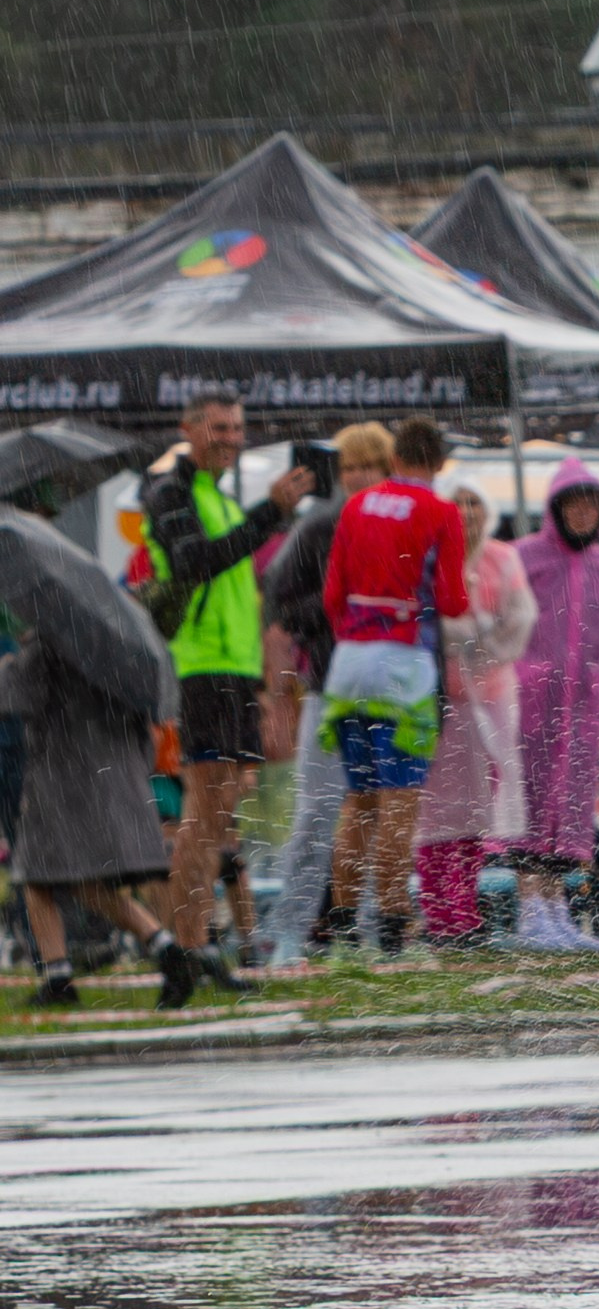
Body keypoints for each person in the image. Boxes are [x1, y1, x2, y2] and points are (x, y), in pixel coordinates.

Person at [139, 395, 312, 984]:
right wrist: (269, 514)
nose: (231, 438)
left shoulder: (220, 496)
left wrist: (262, 677)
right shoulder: (170, 492)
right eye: (219, 427)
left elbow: (234, 579)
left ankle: (194, 947)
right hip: (202, 667)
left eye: (238, 428)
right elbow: (196, 563)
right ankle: (188, 949)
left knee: (219, 817)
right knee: (203, 811)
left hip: (235, 668)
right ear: (188, 429)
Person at [320, 417, 471, 957]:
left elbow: (332, 595)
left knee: (359, 800)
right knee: (400, 801)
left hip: (348, 664)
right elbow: (452, 601)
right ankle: (390, 923)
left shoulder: (356, 505)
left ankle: (340, 923)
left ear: (394, 457)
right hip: (404, 666)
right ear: (440, 462)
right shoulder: (441, 512)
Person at [0, 632, 194, 1009]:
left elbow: (13, 697)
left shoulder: (49, 644)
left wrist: (9, 667)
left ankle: (58, 977)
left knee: (34, 875)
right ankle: (165, 947)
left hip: (60, 777)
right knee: (82, 882)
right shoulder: (111, 645)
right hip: (109, 776)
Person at [258, 422, 392, 967]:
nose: (359, 477)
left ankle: (367, 925)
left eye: (370, 466)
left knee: (380, 812)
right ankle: (289, 929)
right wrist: (339, 603)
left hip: (394, 690)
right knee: (317, 813)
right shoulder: (319, 527)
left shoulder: (405, 527)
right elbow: (280, 603)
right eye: (350, 468)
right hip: (330, 687)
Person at [509, 458, 599, 952]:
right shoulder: (523, 558)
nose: (582, 512)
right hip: (531, 704)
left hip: (581, 710)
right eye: (573, 503)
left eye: (591, 504)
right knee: (531, 806)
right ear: (555, 508)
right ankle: (529, 910)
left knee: (571, 809)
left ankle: (557, 909)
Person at [414, 480, 538, 945]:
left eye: (474, 503)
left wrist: (478, 643)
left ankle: (463, 908)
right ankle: (439, 912)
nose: (466, 513)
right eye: (458, 503)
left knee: (476, 810)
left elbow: (520, 619)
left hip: (490, 699)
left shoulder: (502, 559)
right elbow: (423, 619)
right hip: (439, 701)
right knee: (435, 812)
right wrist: (459, 635)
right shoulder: (428, 556)